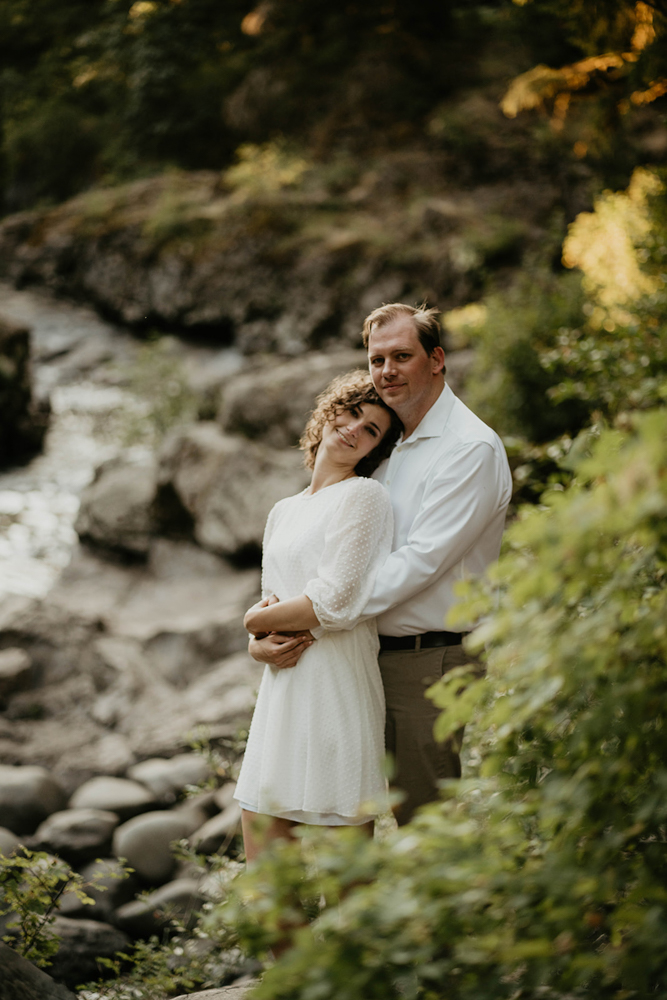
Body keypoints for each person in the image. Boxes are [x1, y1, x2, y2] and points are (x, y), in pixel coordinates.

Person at [249, 303, 512, 826]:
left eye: (402, 356)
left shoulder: (469, 448)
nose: (386, 370)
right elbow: (329, 555)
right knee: (345, 819)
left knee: (424, 825)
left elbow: (419, 563)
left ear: (436, 360)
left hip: (426, 661)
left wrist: (308, 616)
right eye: (376, 360)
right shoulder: (385, 448)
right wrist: (270, 630)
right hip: (354, 656)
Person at [234, 370, 403, 860]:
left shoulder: (365, 496)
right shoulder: (283, 510)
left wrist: (250, 622)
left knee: (347, 888)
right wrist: (255, 643)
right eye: (351, 413)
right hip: (282, 693)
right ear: (329, 412)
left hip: (335, 690)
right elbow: (272, 603)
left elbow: (331, 602)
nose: (354, 428)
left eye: (370, 429)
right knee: (267, 887)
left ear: (373, 450)